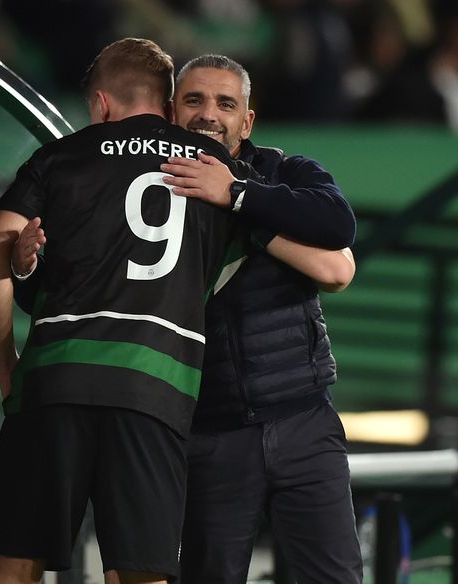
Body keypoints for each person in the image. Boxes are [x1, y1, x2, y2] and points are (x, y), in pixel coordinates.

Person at [0, 38, 255, 584]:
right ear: (169, 107)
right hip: (156, 390)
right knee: (140, 572)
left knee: (12, 564)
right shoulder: (213, 167)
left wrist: (6, 366)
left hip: (55, 381)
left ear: (101, 104)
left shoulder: (61, 157)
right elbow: (325, 260)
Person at [160, 55, 363, 584]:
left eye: (226, 104)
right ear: (169, 110)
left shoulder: (284, 173)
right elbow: (332, 267)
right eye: (195, 100)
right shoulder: (144, 190)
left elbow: (339, 240)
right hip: (209, 432)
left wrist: (236, 198)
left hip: (305, 422)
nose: (210, 114)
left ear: (246, 122)